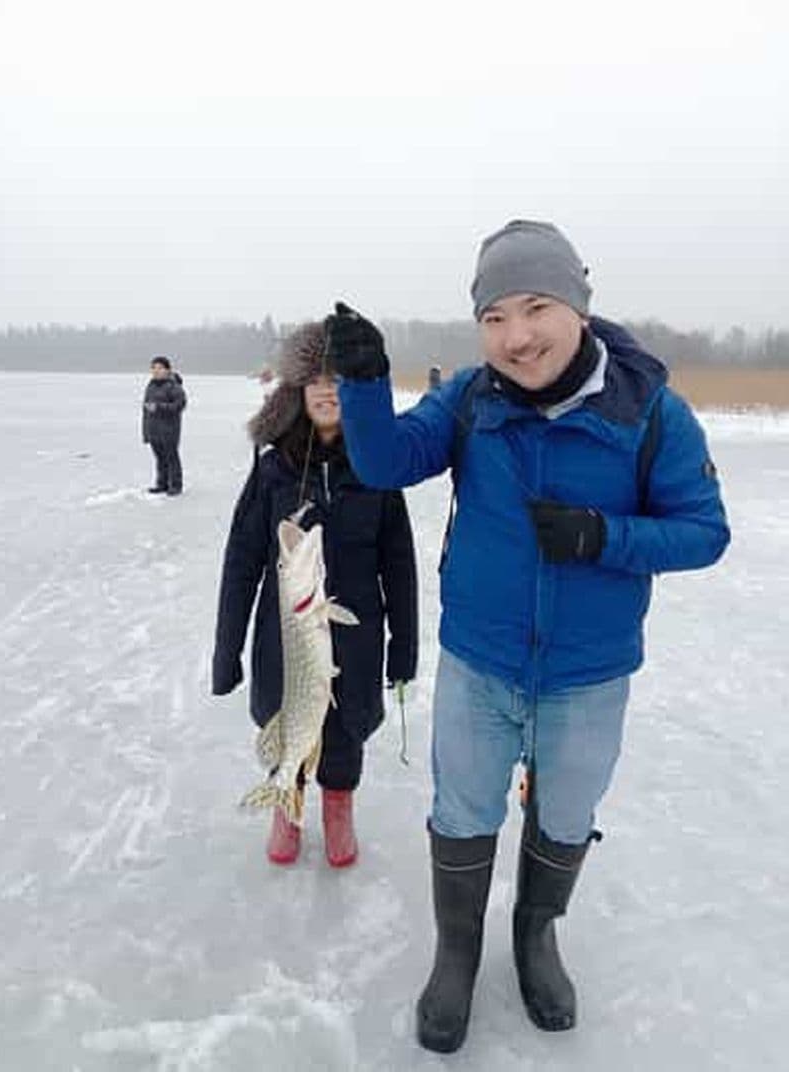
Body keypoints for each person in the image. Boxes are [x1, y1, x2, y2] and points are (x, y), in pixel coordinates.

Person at [323, 219, 730, 1051]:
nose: (516, 336)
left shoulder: (650, 414)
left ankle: (536, 935)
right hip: (482, 662)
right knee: (464, 808)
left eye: (535, 307)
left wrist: (603, 537)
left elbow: (704, 530)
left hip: (589, 673)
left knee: (568, 812)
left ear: (578, 304)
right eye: (495, 317)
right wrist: (365, 384)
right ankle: (457, 954)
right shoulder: (470, 401)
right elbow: (384, 461)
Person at [211, 322, 418, 868]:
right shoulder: (273, 469)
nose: (328, 391)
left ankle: (338, 808)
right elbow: (240, 565)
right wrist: (226, 650)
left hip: (357, 633)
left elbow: (399, 566)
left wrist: (404, 647)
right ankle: (288, 800)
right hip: (287, 636)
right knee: (288, 718)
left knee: (346, 729)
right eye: (316, 380)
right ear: (297, 392)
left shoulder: (378, 470)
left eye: (340, 380)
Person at [142, 356, 186, 495]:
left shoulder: (174, 386)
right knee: (160, 459)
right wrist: (146, 432)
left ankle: (176, 486)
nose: (156, 371)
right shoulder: (151, 385)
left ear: (167, 370)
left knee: (171, 458)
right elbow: (146, 411)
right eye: (154, 368)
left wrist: (159, 407)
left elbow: (179, 405)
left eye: (160, 368)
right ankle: (162, 484)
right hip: (154, 429)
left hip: (169, 430)